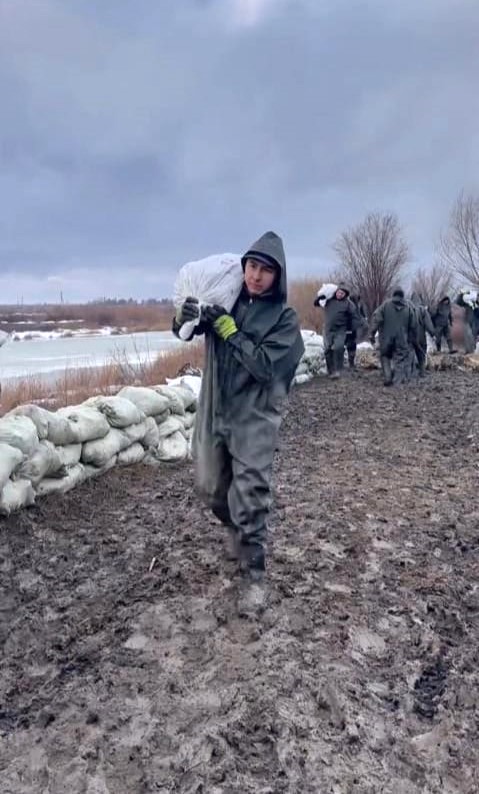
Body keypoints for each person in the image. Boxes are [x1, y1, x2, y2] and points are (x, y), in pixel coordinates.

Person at [173, 231, 304, 617]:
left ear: (278, 276)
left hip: (255, 414)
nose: (255, 276)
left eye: (265, 270)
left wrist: (232, 332)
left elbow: (266, 367)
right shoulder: (225, 297)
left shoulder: (284, 319)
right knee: (211, 487)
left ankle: (254, 574)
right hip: (216, 407)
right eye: (251, 266)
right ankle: (237, 529)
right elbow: (185, 328)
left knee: (250, 492)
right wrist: (186, 315)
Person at [369, 287, 418, 386]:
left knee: (385, 356)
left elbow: (376, 319)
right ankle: (397, 381)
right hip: (402, 339)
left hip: (386, 338)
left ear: (393, 294)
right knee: (400, 359)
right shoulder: (408, 307)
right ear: (402, 296)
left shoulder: (385, 305)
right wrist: (412, 338)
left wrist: (372, 334)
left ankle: (388, 377)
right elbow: (414, 325)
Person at [314, 283, 357, 378]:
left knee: (339, 347)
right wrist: (319, 298)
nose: (339, 295)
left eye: (342, 294)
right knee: (328, 349)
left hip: (340, 329)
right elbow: (316, 304)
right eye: (338, 292)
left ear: (345, 295)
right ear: (336, 292)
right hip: (328, 329)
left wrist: (352, 328)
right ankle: (331, 370)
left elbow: (354, 315)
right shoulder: (329, 300)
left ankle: (338, 370)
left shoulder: (348, 304)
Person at [409, 292, 436, 377]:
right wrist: (432, 333)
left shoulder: (407, 309)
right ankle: (422, 371)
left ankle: (410, 372)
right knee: (421, 354)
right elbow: (428, 324)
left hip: (409, 337)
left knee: (410, 354)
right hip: (420, 337)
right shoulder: (423, 310)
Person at [345, 293, 367, 369]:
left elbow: (363, 315)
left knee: (350, 344)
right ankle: (351, 363)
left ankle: (350, 362)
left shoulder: (354, 306)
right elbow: (363, 316)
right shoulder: (353, 306)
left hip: (350, 327)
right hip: (350, 327)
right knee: (351, 344)